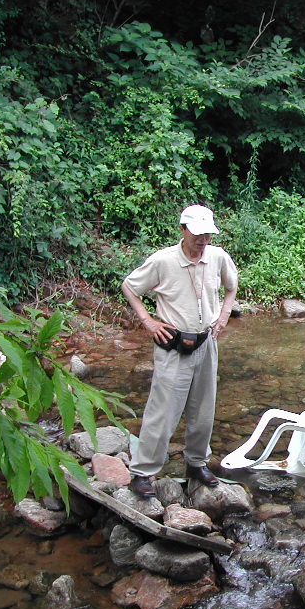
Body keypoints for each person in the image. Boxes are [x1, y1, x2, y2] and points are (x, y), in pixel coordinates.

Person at [121, 204, 238, 498]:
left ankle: (196, 463)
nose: (203, 240)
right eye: (198, 234)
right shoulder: (163, 261)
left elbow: (232, 287)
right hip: (173, 345)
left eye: (208, 234)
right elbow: (130, 287)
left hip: (207, 342)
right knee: (163, 411)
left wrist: (223, 316)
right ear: (183, 229)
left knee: (204, 410)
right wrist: (148, 322)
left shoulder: (218, 257)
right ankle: (142, 472)